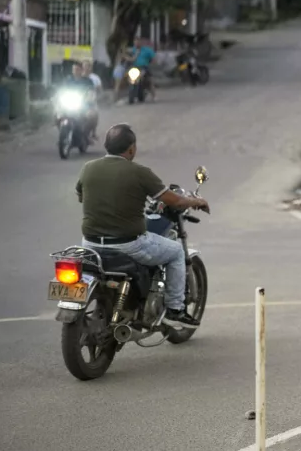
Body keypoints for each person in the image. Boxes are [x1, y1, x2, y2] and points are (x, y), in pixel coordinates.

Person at [75, 124, 209, 329]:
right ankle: (175, 309)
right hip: (127, 245)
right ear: (131, 149)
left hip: (90, 244)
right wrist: (197, 202)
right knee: (176, 253)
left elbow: (81, 196)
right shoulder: (139, 172)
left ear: (106, 146)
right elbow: (175, 201)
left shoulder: (88, 168)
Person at [117, 37, 157, 102]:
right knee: (125, 77)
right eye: (135, 42)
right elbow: (127, 55)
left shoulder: (147, 50)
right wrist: (123, 55)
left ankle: (154, 96)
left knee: (149, 81)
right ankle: (120, 95)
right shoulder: (133, 50)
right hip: (135, 67)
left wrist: (150, 63)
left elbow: (154, 59)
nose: (136, 43)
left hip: (144, 67)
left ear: (140, 42)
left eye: (137, 42)